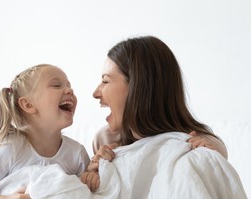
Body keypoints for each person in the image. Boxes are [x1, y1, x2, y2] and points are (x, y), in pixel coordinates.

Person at [83, 36, 228, 179]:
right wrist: (92, 175)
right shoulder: (104, 141)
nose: (96, 93)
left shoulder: (204, 145)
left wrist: (207, 157)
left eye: (105, 81)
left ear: (138, 88)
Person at [0, 64, 97, 199]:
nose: (70, 90)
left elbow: (82, 192)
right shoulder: (12, 148)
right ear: (28, 105)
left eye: (70, 87)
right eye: (56, 85)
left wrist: (90, 177)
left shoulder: (76, 153)